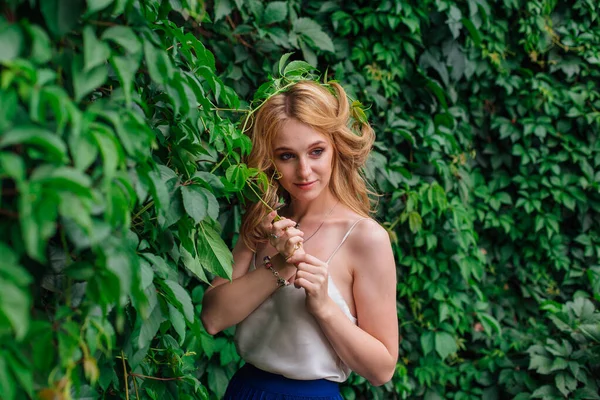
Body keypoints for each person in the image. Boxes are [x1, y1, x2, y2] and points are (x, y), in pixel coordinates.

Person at [201, 80, 398, 399]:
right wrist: (279, 265)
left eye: (316, 151)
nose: (304, 171)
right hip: (245, 391)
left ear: (337, 147)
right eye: (287, 156)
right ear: (270, 160)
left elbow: (382, 369)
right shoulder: (263, 221)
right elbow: (212, 318)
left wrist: (324, 306)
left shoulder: (365, 238)